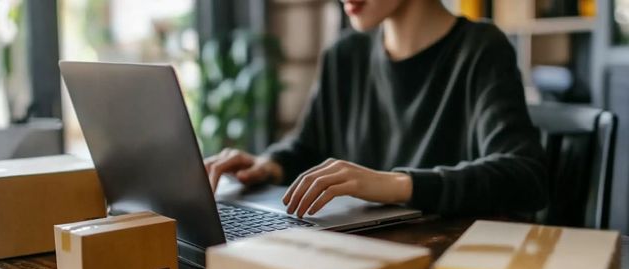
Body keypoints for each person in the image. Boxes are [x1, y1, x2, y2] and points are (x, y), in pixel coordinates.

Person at [204, 0, 548, 219]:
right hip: (356, 259)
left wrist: (394, 185)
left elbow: (525, 177)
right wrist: (268, 165)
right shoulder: (345, 54)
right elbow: (307, 147)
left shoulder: (481, 49)